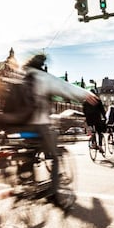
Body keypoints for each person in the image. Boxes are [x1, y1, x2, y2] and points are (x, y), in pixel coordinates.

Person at [22, 54, 98, 193]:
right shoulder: (42, 77)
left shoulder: (22, 77)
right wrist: (86, 94)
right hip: (39, 124)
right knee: (55, 155)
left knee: (28, 153)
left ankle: (24, 180)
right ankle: (54, 191)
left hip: (22, 125)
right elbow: (64, 87)